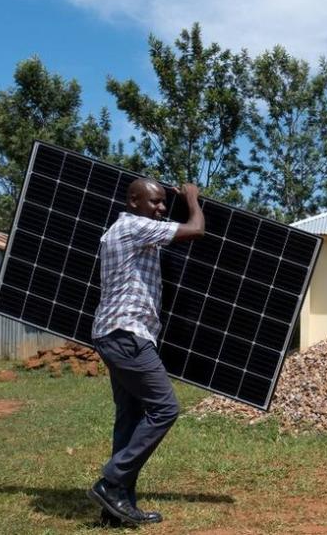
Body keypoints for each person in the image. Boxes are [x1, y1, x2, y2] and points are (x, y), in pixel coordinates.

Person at [87, 179, 205, 526]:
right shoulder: (134, 226)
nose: (161, 208)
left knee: (130, 419)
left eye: (163, 203)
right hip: (127, 335)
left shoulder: (122, 231)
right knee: (165, 408)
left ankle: (116, 508)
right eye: (154, 202)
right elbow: (196, 230)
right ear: (133, 201)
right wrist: (193, 200)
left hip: (115, 335)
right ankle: (111, 480)